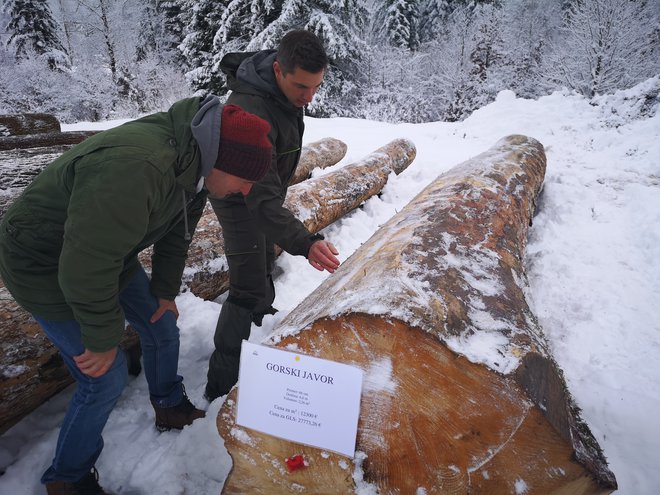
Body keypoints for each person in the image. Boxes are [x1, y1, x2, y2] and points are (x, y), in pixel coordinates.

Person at [0, 98, 273, 495]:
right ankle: (67, 478)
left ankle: (168, 405)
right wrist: (101, 338)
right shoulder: (139, 167)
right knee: (103, 377)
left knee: (162, 323)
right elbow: (84, 265)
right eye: (245, 180)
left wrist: (164, 290)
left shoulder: (196, 166)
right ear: (221, 161)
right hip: (40, 260)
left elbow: (177, 233)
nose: (246, 191)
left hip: (103, 249)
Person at [204, 30, 341, 402]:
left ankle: (261, 319)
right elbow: (259, 200)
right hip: (238, 197)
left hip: (263, 192)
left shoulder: (281, 89)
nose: (309, 97)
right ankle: (220, 386)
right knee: (246, 284)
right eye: (301, 87)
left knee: (264, 251)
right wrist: (306, 242)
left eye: (316, 87)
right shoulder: (252, 109)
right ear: (278, 70)